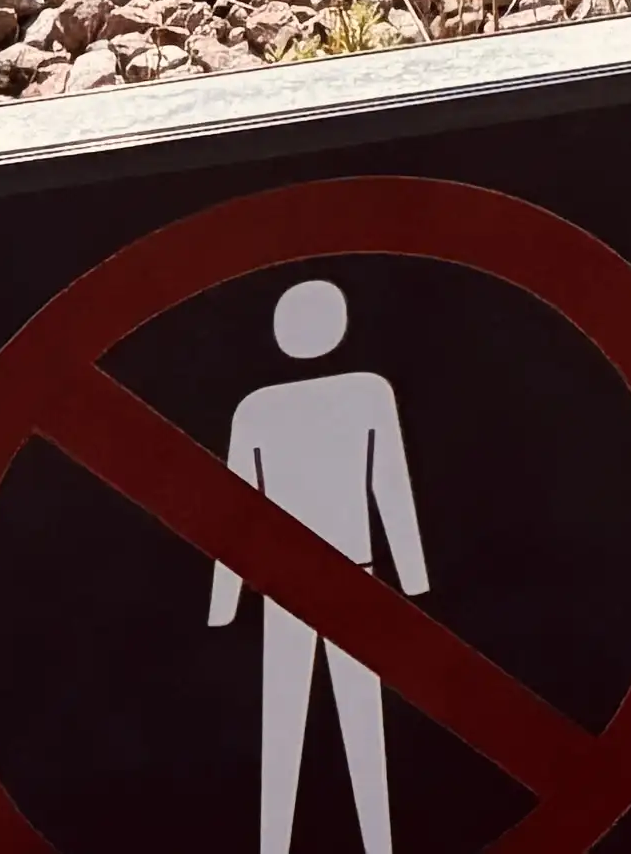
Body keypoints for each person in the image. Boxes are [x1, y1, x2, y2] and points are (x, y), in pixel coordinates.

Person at [206, 277, 427, 854]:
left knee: (311, 725)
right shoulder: (360, 393)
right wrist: (413, 580)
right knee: (330, 723)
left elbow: (235, 516)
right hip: (331, 578)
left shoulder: (265, 407)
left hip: (312, 582)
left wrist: (225, 603)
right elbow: (238, 512)